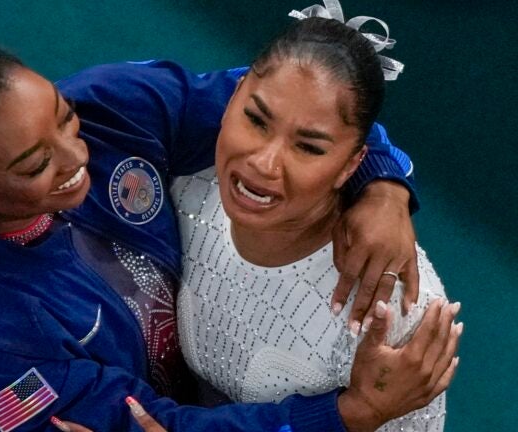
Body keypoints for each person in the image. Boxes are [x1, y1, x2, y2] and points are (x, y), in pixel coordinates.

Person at [0, 9, 460, 432]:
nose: (77, 157)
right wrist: (347, 417)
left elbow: (284, 104)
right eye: (35, 164)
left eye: (62, 119)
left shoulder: (109, 105)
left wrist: (383, 182)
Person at [172, 3, 459, 431]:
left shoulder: (392, 301)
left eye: (308, 147)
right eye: (256, 120)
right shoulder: (185, 185)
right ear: (232, 97)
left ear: (352, 164)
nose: (264, 164)